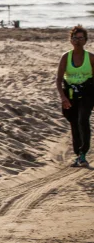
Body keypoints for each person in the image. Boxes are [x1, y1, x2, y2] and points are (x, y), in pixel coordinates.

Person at [56, 25, 93, 167]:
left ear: (85, 40)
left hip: (87, 94)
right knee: (74, 123)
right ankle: (78, 154)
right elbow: (59, 79)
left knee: (83, 120)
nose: (77, 41)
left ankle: (83, 153)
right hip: (70, 94)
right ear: (71, 40)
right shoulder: (66, 57)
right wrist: (63, 97)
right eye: (75, 38)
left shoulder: (90, 58)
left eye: (81, 38)